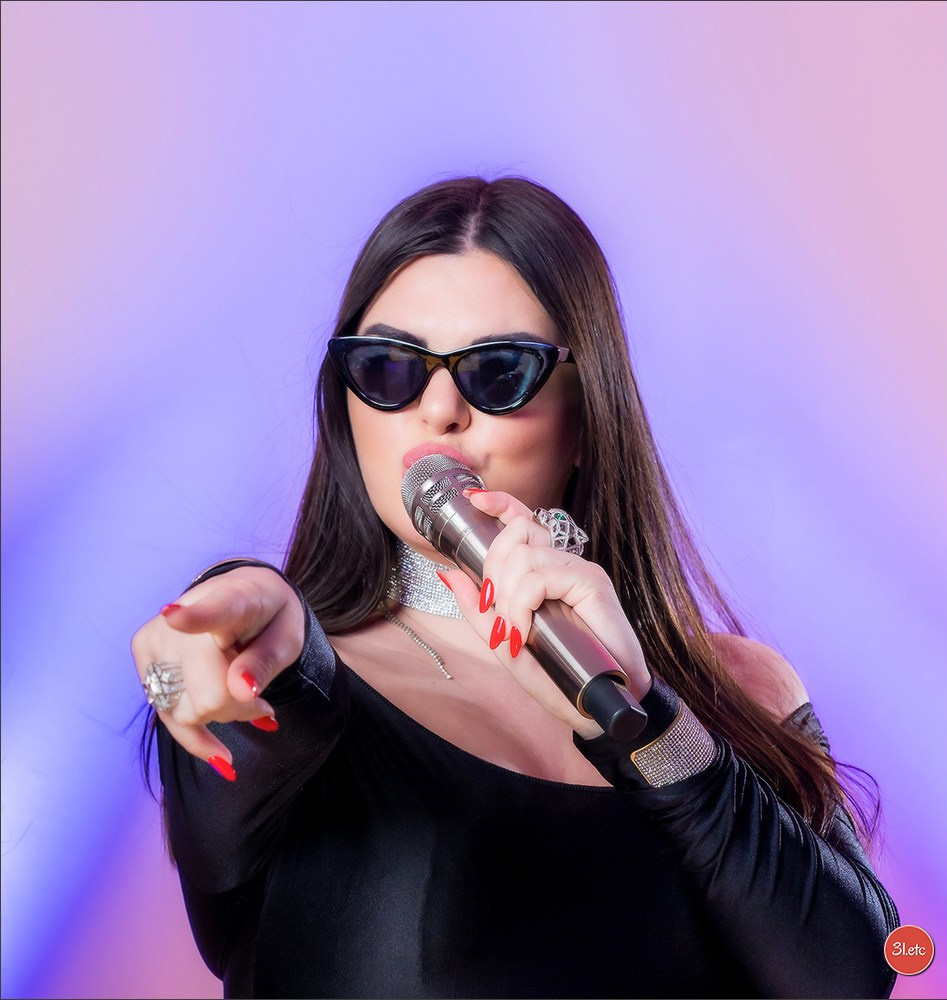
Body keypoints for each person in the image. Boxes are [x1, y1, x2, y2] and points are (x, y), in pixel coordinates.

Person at [133, 176, 899, 999]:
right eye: (388, 367)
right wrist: (242, 604)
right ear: (345, 405)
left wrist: (648, 722)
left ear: (587, 413)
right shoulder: (273, 683)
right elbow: (268, 680)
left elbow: (866, 971)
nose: (438, 409)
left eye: (498, 371)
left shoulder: (743, 687)